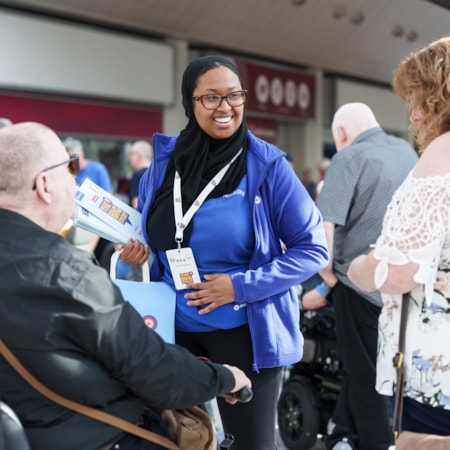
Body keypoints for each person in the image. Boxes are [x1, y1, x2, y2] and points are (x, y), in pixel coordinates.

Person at [119, 55, 329, 450]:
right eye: (210, 97)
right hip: (172, 331)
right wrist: (140, 253)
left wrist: (240, 286)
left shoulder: (267, 167)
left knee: (247, 444)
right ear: (189, 102)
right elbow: (157, 238)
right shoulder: (164, 166)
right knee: (176, 441)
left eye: (234, 95)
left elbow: (313, 249)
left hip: (244, 333)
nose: (225, 107)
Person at [0, 121, 251, 450]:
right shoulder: (64, 272)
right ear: (44, 185)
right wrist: (227, 378)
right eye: (70, 166)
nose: (77, 177)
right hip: (93, 434)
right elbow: (154, 371)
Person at [348, 37, 450, 439]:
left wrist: (360, 266)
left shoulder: (442, 153)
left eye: (415, 97)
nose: (412, 113)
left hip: (434, 371)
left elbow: (400, 272)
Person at [316, 102, 418, 450]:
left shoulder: (348, 157)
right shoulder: (406, 151)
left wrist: (327, 276)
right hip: (403, 285)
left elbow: (325, 223)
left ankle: (377, 443)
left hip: (357, 284)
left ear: (340, 133)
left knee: (364, 374)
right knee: (386, 369)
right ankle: (342, 432)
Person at [63, 137, 114, 258]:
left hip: (94, 218)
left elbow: (109, 198)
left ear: (82, 154)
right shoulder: (66, 171)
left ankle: (87, 256)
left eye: (74, 157)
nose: (72, 162)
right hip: (71, 219)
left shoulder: (97, 169)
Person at [128, 140, 154, 208]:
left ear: (139, 156)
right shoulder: (156, 173)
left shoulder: (138, 175)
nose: (129, 158)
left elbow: (136, 204)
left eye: (131, 154)